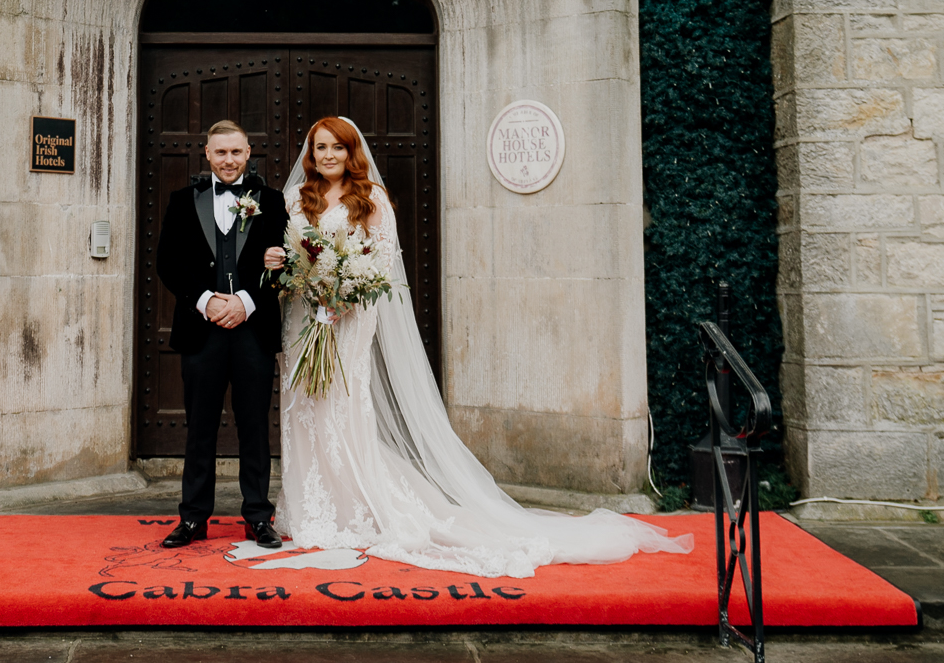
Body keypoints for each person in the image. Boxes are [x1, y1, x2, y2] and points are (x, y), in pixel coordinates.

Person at [264, 115, 693, 578]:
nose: (328, 155)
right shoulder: (294, 200)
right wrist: (294, 275)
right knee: (302, 407)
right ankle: (310, 507)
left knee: (342, 408)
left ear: (352, 153)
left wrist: (342, 296)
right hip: (304, 320)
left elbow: (380, 265)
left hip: (348, 320)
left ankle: (353, 508)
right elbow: (284, 259)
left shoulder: (371, 200)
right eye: (320, 147)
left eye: (337, 148)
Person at [154, 119, 288, 550]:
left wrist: (246, 302)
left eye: (236, 152)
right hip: (201, 331)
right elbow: (168, 263)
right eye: (220, 152)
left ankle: (257, 517)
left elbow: (283, 265)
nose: (228, 160)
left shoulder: (272, 200)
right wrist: (205, 300)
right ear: (207, 155)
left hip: (253, 330)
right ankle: (193, 517)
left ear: (249, 153)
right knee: (200, 428)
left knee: (254, 426)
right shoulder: (181, 200)